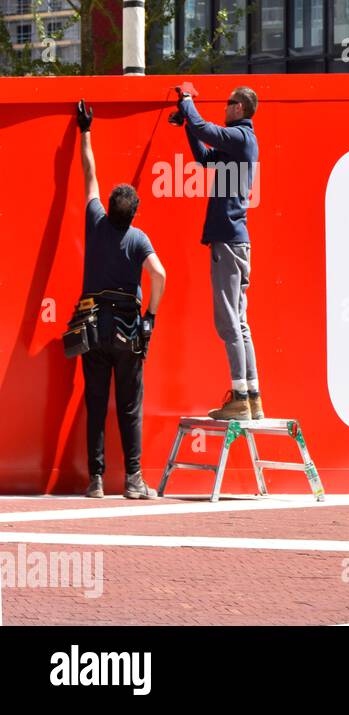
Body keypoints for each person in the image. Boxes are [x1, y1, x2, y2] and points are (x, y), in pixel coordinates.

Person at [75, 100, 166, 499]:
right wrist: (150, 316)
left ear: (110, 208)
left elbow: (90, 173)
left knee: (96, 404)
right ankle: (133, 480)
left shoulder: (95, 222)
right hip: (129, 333)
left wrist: (85, 130)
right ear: (133, 215)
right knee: (129, 407)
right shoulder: (138, 239)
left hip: (93, 331)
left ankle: (95, 481)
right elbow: (160, 275)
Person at [174, 85, 263, 420]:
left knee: (228, 321)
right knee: (239, 321)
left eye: (228, 103)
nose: (224, 108)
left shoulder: (240, 137)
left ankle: (240, 397)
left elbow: (203, 128)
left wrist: (187, 103)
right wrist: (186, 122)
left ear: (238, 107)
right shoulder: (238, 143)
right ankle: (251, 395)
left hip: (228, 241)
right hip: (236, 240)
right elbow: (203, 156)